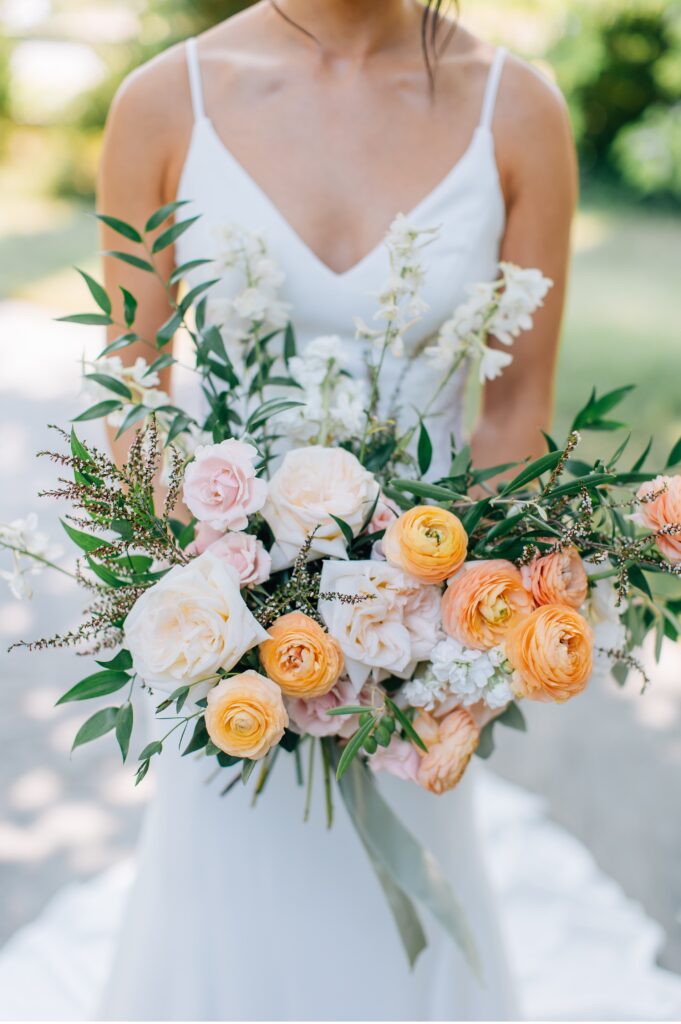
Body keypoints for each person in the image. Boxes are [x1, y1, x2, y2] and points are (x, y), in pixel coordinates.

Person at [97, 2, 576, 1019]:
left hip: (423, 636)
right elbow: (133, 392)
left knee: (400, 925)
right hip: (223, 636)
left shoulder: (519, 110)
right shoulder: (162, 103)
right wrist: (214, 613)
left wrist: (457, 643)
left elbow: (517, 413)